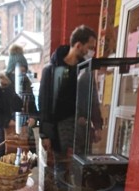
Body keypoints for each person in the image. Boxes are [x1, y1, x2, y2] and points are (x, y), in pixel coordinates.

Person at [39, 25, 98, 179]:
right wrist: (45, 134)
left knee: (82, 167)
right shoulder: (51, 70)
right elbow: (44, 104)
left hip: (81, 127)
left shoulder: (85, 70)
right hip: (59, 129)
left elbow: (93, 97)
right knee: (60, 167)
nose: (92, 51)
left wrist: (97, 124)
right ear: (78, 45)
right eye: (90, 47)